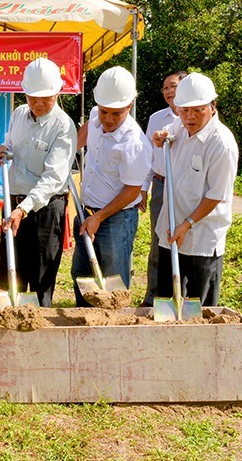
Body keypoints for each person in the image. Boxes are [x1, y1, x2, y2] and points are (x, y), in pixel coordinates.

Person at [0, 58, 77, 306]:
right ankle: (5, 327)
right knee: (10, 272)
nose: (38, 104)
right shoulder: (19, 114)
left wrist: (23, 208)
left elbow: (53, 178)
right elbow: (12, 141)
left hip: (44, 210)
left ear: (57, 93)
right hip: (14, 205)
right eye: (32, 97)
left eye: (45, 99)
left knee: (41, 277)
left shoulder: (63, 126)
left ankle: (38, 333)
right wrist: (4, 150)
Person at [153, 72, 238, 306]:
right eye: (184, 110)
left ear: (212, 106)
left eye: (198, 110)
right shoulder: (179, 127)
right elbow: (166, 134)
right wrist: (161, 137)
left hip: (202, 237)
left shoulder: (222, 144)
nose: (190, 117)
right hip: (172, 231)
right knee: (166, 300)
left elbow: (216, 196)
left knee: (200, 306)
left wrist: (187, 224)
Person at [70, 66, 152, 306]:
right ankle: (83, 321)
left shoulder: (134, 143)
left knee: (113, 279)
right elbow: (83, 134)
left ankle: (114, 330)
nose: (107, 119)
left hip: (116, 219)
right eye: (105, 111)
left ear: (129, 106)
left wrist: (100, 217)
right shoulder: (97, 113)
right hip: (87, 211)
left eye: (116, 114)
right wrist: (66, 151)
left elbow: (132, 191)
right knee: (82, 273)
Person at [139, 71, 188, 307]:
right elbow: (149, 155)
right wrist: (143, 187)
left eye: (174, 86)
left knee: (186, 240)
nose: (169, 91)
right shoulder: (156, 118)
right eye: (165, 88)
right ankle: (153, 297)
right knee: (159, 241)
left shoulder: (194, 117)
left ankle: (182, 295)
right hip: (160, 184)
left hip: (185, 187)